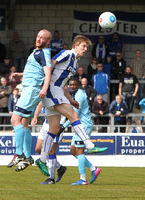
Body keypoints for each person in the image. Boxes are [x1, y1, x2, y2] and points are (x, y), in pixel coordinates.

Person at [36, 35, 108, 177]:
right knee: (73, 115)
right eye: (83, 46)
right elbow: (51, 63)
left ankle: (42, 159)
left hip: (57, 90)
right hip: (51, 89)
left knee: (54, 128)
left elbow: (64, 85)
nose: (85, 49)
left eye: (87, 47)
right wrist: (45, 85)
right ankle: (89, 145)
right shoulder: (67, 53)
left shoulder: (75, 63)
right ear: (75, 46)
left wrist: (70, 99)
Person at [10, 29, 52, 172]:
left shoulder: (43, 54)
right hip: (29, 88)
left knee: (15, 119)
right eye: (38, 36)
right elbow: (35, 70)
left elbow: (47, 73)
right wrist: (20, 74)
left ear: (47, 41)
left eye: (42, 38)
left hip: (32, 90)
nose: (39, 39)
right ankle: (28, 156)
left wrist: (44, 89)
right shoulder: (36, 52)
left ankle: (20, 154)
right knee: (24, 123)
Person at [62, 78, 101, 185]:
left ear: (78, 85)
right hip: (79, 125)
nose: (72, 86)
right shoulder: (76, 94)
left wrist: (63, 126)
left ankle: (83, 179)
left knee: (79, 151)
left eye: (74, 85)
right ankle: (94, 169)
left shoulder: (79, 95)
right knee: (73, 151)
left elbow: (75, 114)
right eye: (70, 85)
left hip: (83, 126)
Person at [30, 101, 67, 184]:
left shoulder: (63, 96)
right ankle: (60, 167)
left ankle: (51, 178)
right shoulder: (49, 92)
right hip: (45, 125)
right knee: (39, 149)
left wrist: (63, 126)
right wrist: (35, 116)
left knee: (51, 152)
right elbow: (40, 105)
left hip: (57, 126)